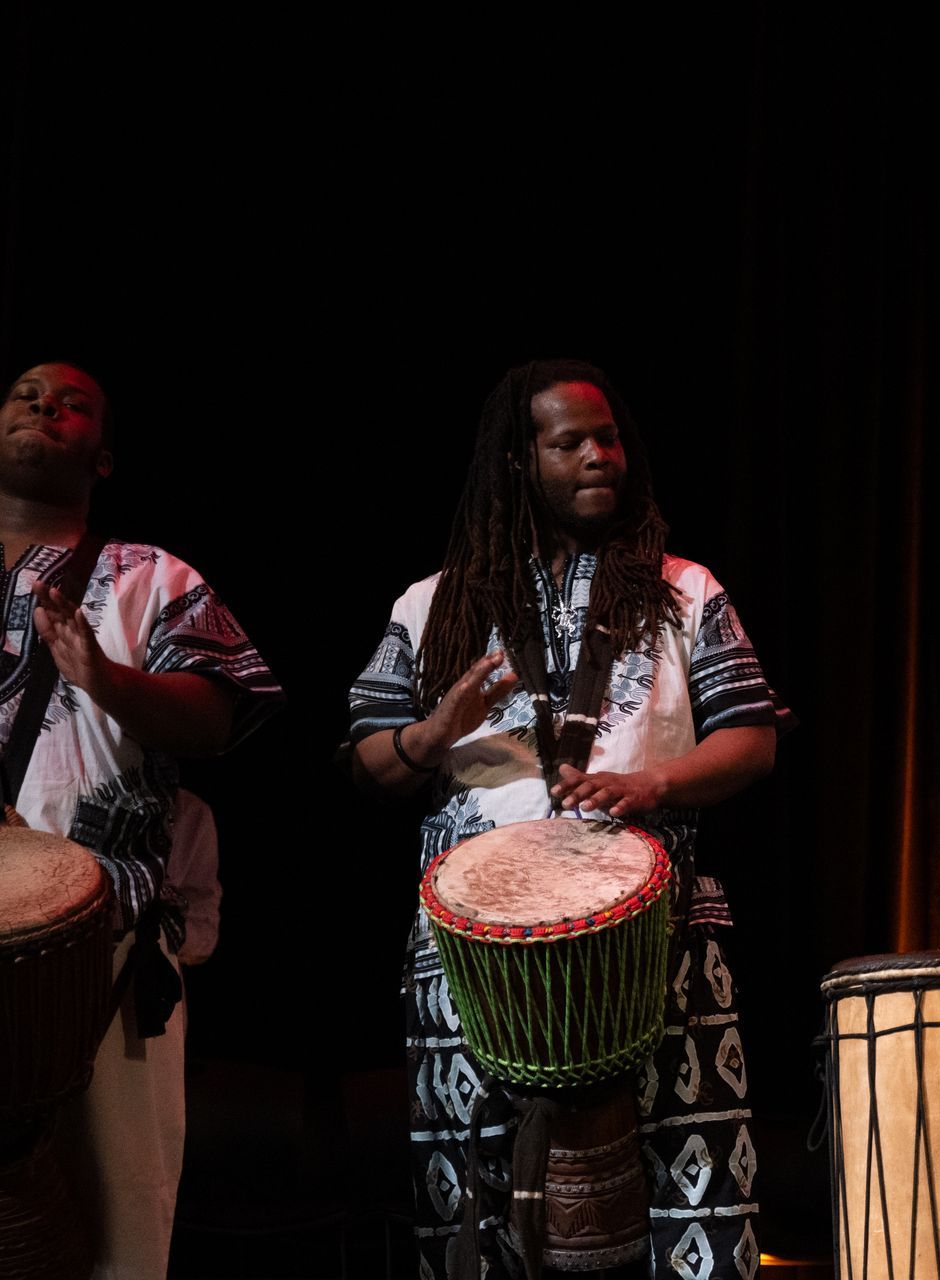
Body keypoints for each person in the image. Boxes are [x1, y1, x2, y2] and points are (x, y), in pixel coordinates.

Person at [347, 359, 788, 1279]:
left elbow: (750, 739)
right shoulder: (431, 606)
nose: (600, 456)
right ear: (519, 461)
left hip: (656, 927)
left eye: (610, 437)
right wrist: (435, 731)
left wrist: (653, 784)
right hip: (471, 947)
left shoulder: (685, 589)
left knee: (692, 1191)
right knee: (476, 1197)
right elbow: (372, 763)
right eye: (569, 443)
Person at [0, 361, 281, 1277]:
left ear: (105, 458)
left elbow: (213, 719)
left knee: (117, 1221)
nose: (45, 403)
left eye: (71, 402)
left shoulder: (149, 576)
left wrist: (101, 676)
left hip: (106, 946)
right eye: (26, 392)